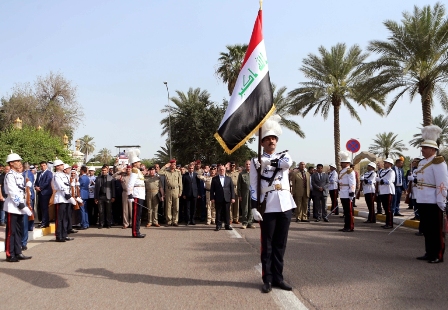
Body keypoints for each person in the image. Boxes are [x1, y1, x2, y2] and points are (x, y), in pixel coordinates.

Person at [250, 114, 295, 293]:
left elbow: (286, 163)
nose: (271, 141)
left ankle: (279, 277)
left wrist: (267, 161)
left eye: (274, 138)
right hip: (267, 205)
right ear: (261, 143)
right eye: (267, 139)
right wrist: (253, 206)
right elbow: (253, 185)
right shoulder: (255, 161)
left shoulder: (284, 156)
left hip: (285, 204)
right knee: (267, 245)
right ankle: (267, 278)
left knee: (280, 244)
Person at [413, 125, 448, 263]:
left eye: (425, 148)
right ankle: (429, 252)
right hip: (422, 199)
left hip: (434, 200)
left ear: (433, 149)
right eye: (422, 148)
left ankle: (438, 254)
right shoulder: (422, 163)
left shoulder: (438, 163)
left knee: (436, 230)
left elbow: (442, 182)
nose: (422, 150)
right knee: (427, 229)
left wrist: (441, 199)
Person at [4, 152, 33, 262]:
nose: (19, 163)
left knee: (18, 231)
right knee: (11, 232)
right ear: (11, 163)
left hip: (20, 207)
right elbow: (13, 192)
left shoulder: (19, 175)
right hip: (13, 206)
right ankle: (10, 254)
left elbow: (21, 190)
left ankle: (18, 252)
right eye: (17, 161)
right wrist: (22, 206)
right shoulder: (10, 175)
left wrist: (27, 186)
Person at [52, 159, 76, 242]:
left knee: (65, 218)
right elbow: (61, 187)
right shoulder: (56, 175)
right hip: (60, 198)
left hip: (66, 199)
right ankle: (59, 235)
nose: (63, 166)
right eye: (61, 165)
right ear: (57, 167)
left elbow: (68, 186)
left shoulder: (65, 175)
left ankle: (64, 234)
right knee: (60, 218)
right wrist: (69, 197)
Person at [126, 149, 146, 237]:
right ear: (134, 163)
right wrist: (130, 195)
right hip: (136, 194)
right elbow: (130, 183)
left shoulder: (138, 171)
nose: (139, 163)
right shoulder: (134, 170)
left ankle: (137, 231)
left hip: (140, 194)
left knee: (139, 214)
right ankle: (135, 232)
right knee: (136, 215)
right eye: (138, 162)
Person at [210, 165, 235, 231]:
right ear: (218, 170)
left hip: (227, 197)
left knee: (227, 212)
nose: (222, 170)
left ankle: (227, 225)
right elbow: (212, 189)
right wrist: (212, 198)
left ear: (225, 170)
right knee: (218, 212)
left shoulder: (229, 178)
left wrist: (233, 197)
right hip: (218, 198)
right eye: (220, 169)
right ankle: (218, 225)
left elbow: (232, 189)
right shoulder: (214, 179)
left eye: (223, 169)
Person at [159, 159, 182, 227]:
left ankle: (175, 221)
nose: (174, 165)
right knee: (168, 207)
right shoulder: (166, 171)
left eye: (175, 164)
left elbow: (180, 183)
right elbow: (159, 172)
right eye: (173, 164)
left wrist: (180, 191)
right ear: (170, 164)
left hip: (176, 190)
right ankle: (169, 221)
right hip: (168, 190)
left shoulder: (178, 172)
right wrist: (165, 166)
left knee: (176, 206)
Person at [338, 152, 356, 232]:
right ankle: (346, 226)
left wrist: (351, 192)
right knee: (346, 211)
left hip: (347, 193)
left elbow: (352, 183)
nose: (341, 164)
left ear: (347, 163)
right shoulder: (343, 171)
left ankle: (350, 226)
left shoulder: (349, 171)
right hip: (343, 192)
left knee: (349, 211)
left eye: (343, 162)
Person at [376, 158, 396, 229]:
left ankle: (390, 223)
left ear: (390, 164)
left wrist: (380, 180)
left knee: (388, 208)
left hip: (388, 191)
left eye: (386, 163)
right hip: (382, 191)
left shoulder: (391, 172)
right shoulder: (383, 171)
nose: (384, 164)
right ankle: (387, 223)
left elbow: (388, 181)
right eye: (384, 163)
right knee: (385, 208)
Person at [34, 161, 53, 228]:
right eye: (41, 166)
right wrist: (36, 186)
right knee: (41, 207)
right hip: (40, 193)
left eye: (44, 165)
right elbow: (36, 181)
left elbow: (47, 181)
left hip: (46, 192)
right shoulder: (39, 173)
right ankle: (42, 221)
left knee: (45, 208)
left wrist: (40, 188)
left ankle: (45, 222)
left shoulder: (49, 173)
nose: (43, 167)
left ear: (46, 166)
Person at [22, 163, 35, 251]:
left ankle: (23, 242)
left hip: (27, 198)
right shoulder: (28, 173)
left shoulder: (27, 174)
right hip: (20, 200)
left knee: (25, 221)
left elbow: (29, 187)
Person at [238, 160, 255, 229]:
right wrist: (239, 195)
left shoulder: (254, 174)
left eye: (249, 164)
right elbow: (239, 186)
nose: (248, 165)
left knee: (251, 208)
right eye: (247, 164)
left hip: (252, 193)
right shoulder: (241, 174)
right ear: (245, 165)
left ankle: (250, 223)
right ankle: (244, 223)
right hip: (244, 193)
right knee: (245, 208)